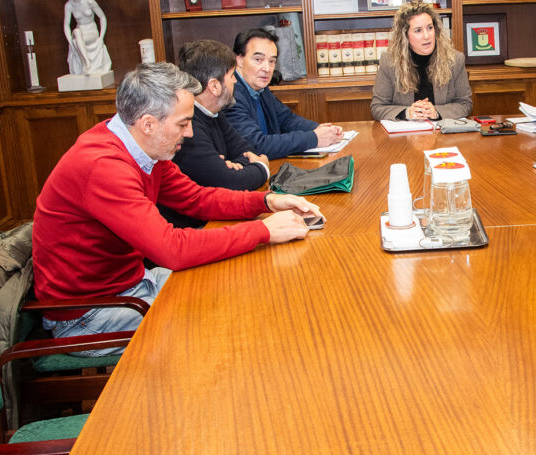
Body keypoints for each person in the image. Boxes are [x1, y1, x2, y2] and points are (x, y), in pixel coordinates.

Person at [33, 62, 322, 353]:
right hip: (89, 313)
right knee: (217, 334)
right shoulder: (103, 166)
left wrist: (265, 201)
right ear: (148, 123)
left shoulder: (142, 146)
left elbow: (196, 199)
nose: (190, 133)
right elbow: (172, 249)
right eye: (183, 123)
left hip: (131, 285)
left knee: (239, 293)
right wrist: (262, 230)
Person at [163, 39, 270, 228]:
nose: (236, 81)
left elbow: (246, 149)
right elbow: (231, 182)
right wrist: (262, 168)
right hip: (195, 228)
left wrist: (233, 165)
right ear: (214, 86)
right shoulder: (188, 127)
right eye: (231, 76)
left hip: (216, 217)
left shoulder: (214, 113)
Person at [225, 28, 343, 159]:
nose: (266, 69)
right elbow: (256, 145)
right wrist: (314, 137)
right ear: (239, 60)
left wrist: (321, 129)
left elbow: (287, 120)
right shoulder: (231, 95)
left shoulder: (260, 88)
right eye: (258, 59)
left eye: (271, 61)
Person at [370, 0, 472, 121]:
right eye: (418, 30)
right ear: (405, 35)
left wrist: (437, 112)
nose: (427, 36)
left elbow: (465, 104)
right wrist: (406, 113)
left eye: (430, 28)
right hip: (405, 137)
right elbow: (377, 107)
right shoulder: (389, 62)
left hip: (443, 136)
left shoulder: (454, 60)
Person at [63, 0, 111, 76]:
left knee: (77, 37)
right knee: (76, 32)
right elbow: (66, 25)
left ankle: (86, 64)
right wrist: (70, 43)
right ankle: (87, 62)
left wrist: (101, 37)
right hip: (79, 33)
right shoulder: (69, 6)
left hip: (91, 33)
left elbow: (102, 17)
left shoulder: (89, 1)